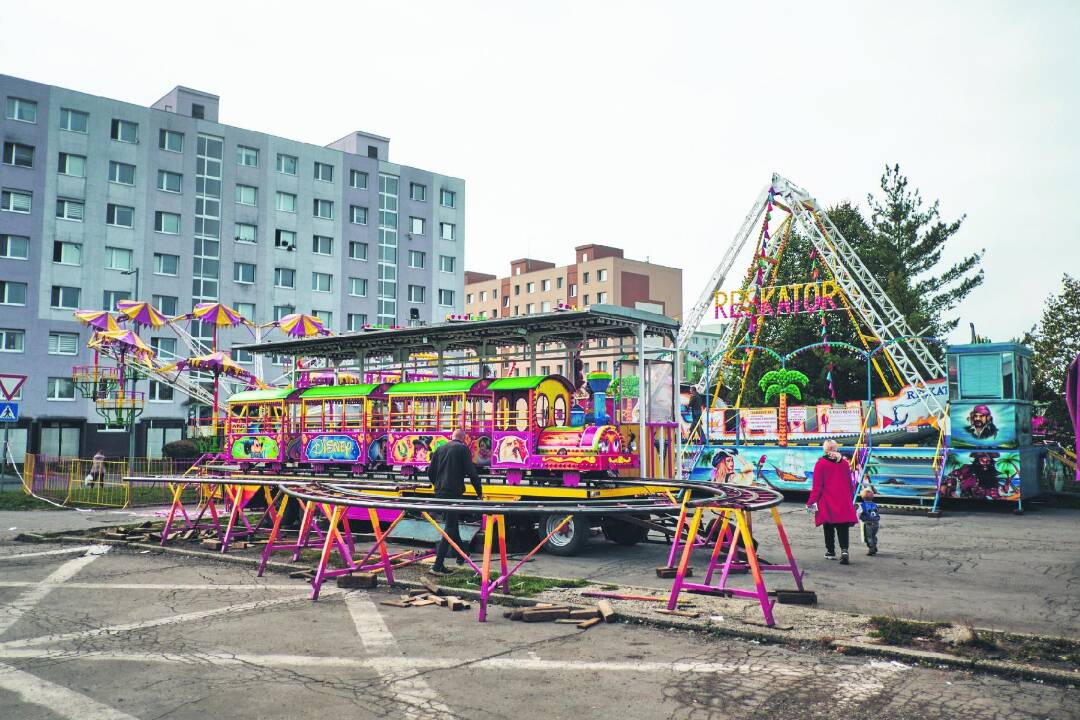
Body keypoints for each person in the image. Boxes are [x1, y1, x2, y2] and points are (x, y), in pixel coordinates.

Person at [428, 429, 483, 575]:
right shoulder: (463, 449)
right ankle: (437, 566)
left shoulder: (440, 449)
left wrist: (438, 486)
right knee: (451, 526)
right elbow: (472, 473)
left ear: (451, 437)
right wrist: (479, 493)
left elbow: (430, 472)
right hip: (453, 493)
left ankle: (461, 556)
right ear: (464, 439)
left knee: (453, 524)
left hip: (440, 493)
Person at [806, 440, 858, 564]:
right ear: (836, 448)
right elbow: (850, 483)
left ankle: (831, 551)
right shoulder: (845, 463)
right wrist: (849, 498)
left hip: (827, 500)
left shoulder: (821, 464)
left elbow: (817, 486)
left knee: (828, 525)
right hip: (843, 499)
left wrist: (811, 502)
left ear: (825, 450)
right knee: (843, 526)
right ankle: (844, 551)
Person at [858, 487, 881, 556]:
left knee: (868, 537)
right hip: (876, 523)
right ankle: (874, 544)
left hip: (868, 524)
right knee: (873, 535)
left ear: (863, 497)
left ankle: (872, 548)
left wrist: (859, 518)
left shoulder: (862, 505)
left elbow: (858, 513)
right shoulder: (875, 505)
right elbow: (877, 511)